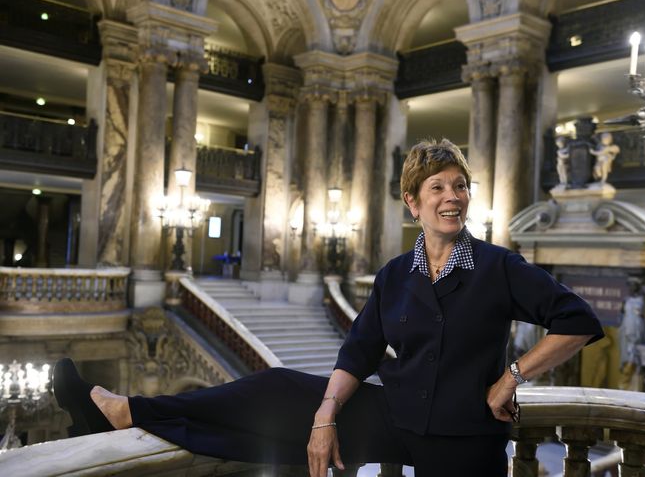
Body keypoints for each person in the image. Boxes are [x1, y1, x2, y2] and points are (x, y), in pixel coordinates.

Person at [53, 138, 604, 477]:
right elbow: (359, 349)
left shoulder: (497, 266)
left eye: (459, 185)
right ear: (413, 203)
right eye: (437, 187)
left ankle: (129, 415)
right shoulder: (395, 275)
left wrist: (511, 377)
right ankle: (129, 412)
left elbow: (577, 321)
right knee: (270, 397)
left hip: (465, 438)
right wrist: (325, 415)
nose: (452, 196)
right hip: (397, 416)